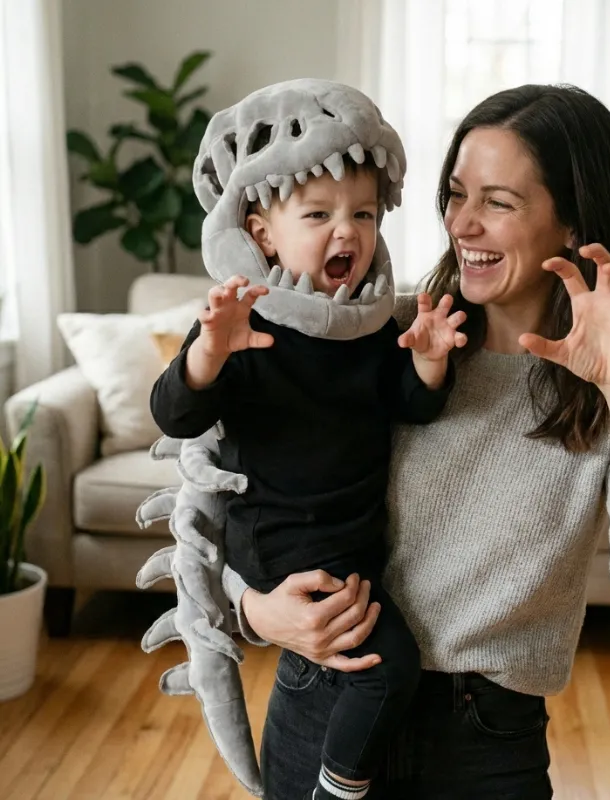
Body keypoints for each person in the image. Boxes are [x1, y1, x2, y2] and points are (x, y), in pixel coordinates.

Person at [229, 83, 610, 800]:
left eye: (499, 202)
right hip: (323, 701)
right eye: (456, 194)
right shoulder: (381, 334)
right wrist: (253, 609)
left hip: (482, 745)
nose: (462, 224)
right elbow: (224, 494)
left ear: (572, 221)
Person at [150, 80, 468, 800]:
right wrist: (208, 352)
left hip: (349, 543)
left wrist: (428, 362)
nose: (346, 232)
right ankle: (337, 790)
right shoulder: (248, 325)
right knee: (389, 666)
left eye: (363, 214)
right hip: (282, 541)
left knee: (369, 666)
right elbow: (175, 414)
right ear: (263, 233)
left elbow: (410, 405)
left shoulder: (370, 325)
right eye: (318, 214)